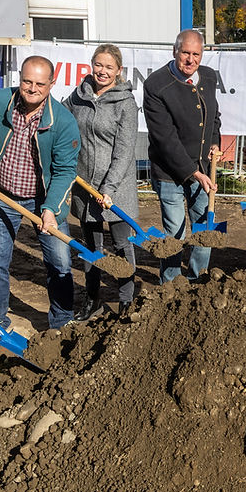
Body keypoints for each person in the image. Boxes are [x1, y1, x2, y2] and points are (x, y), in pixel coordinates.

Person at [0, 55, 80, 341]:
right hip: (2, 196)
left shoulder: (63, 122)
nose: (32, 88)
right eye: (26, 81)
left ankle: (61, 322)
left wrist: (50, 210)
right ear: (18, 78)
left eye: (40, 84)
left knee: (60, 263)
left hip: (43, 199)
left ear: (52, 84)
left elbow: (64, 171)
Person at [64, 44, 139, 320]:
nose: (102, 71)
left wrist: (107, 189)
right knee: (90, 247)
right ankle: (93, 300)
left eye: (109, 67)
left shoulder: (125, 103)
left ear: (118, 71)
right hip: (85, 186)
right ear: (91, 65)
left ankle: (126, 302)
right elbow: (62, 119)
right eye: (98, 65)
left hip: (115, 189)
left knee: (122, 246)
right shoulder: (79, 95)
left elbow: (124, 152)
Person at [143, 29, 222, 282]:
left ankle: (199, 278)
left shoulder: (208, 77)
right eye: (185, 53)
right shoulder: (156, 85)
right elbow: (164, 138)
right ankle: (172, 283)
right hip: (169, 173)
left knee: (204, 228)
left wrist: (214, 143)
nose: (190, 60)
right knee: (175, 232)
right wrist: (193, 172)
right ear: (175, 51)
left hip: (203, 168)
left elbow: (214, 117)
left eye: (196, 54)